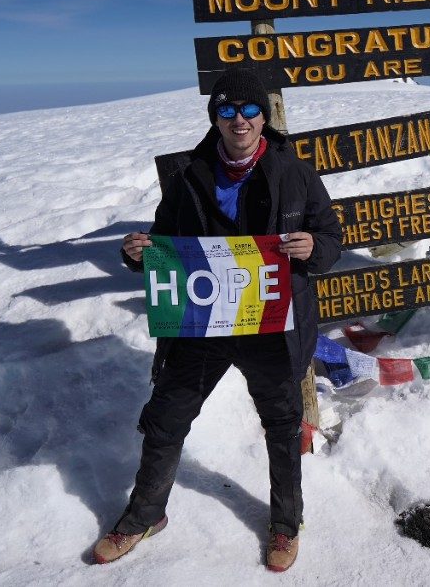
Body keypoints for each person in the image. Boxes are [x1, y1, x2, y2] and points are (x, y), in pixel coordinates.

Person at [95, 68, 342, 572]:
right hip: (202, 324)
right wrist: (139, 253)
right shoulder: (189, 176)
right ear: (215, 117)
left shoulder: (294, 173)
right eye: (227, 110)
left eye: (249, 110)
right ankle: (145, 515)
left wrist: (315, 247)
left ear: (264, 117)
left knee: (281, 425)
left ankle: (285, 525)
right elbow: (166, 239)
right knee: (166, 419)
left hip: (272, 326)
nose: (239, 120)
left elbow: (331, 238)